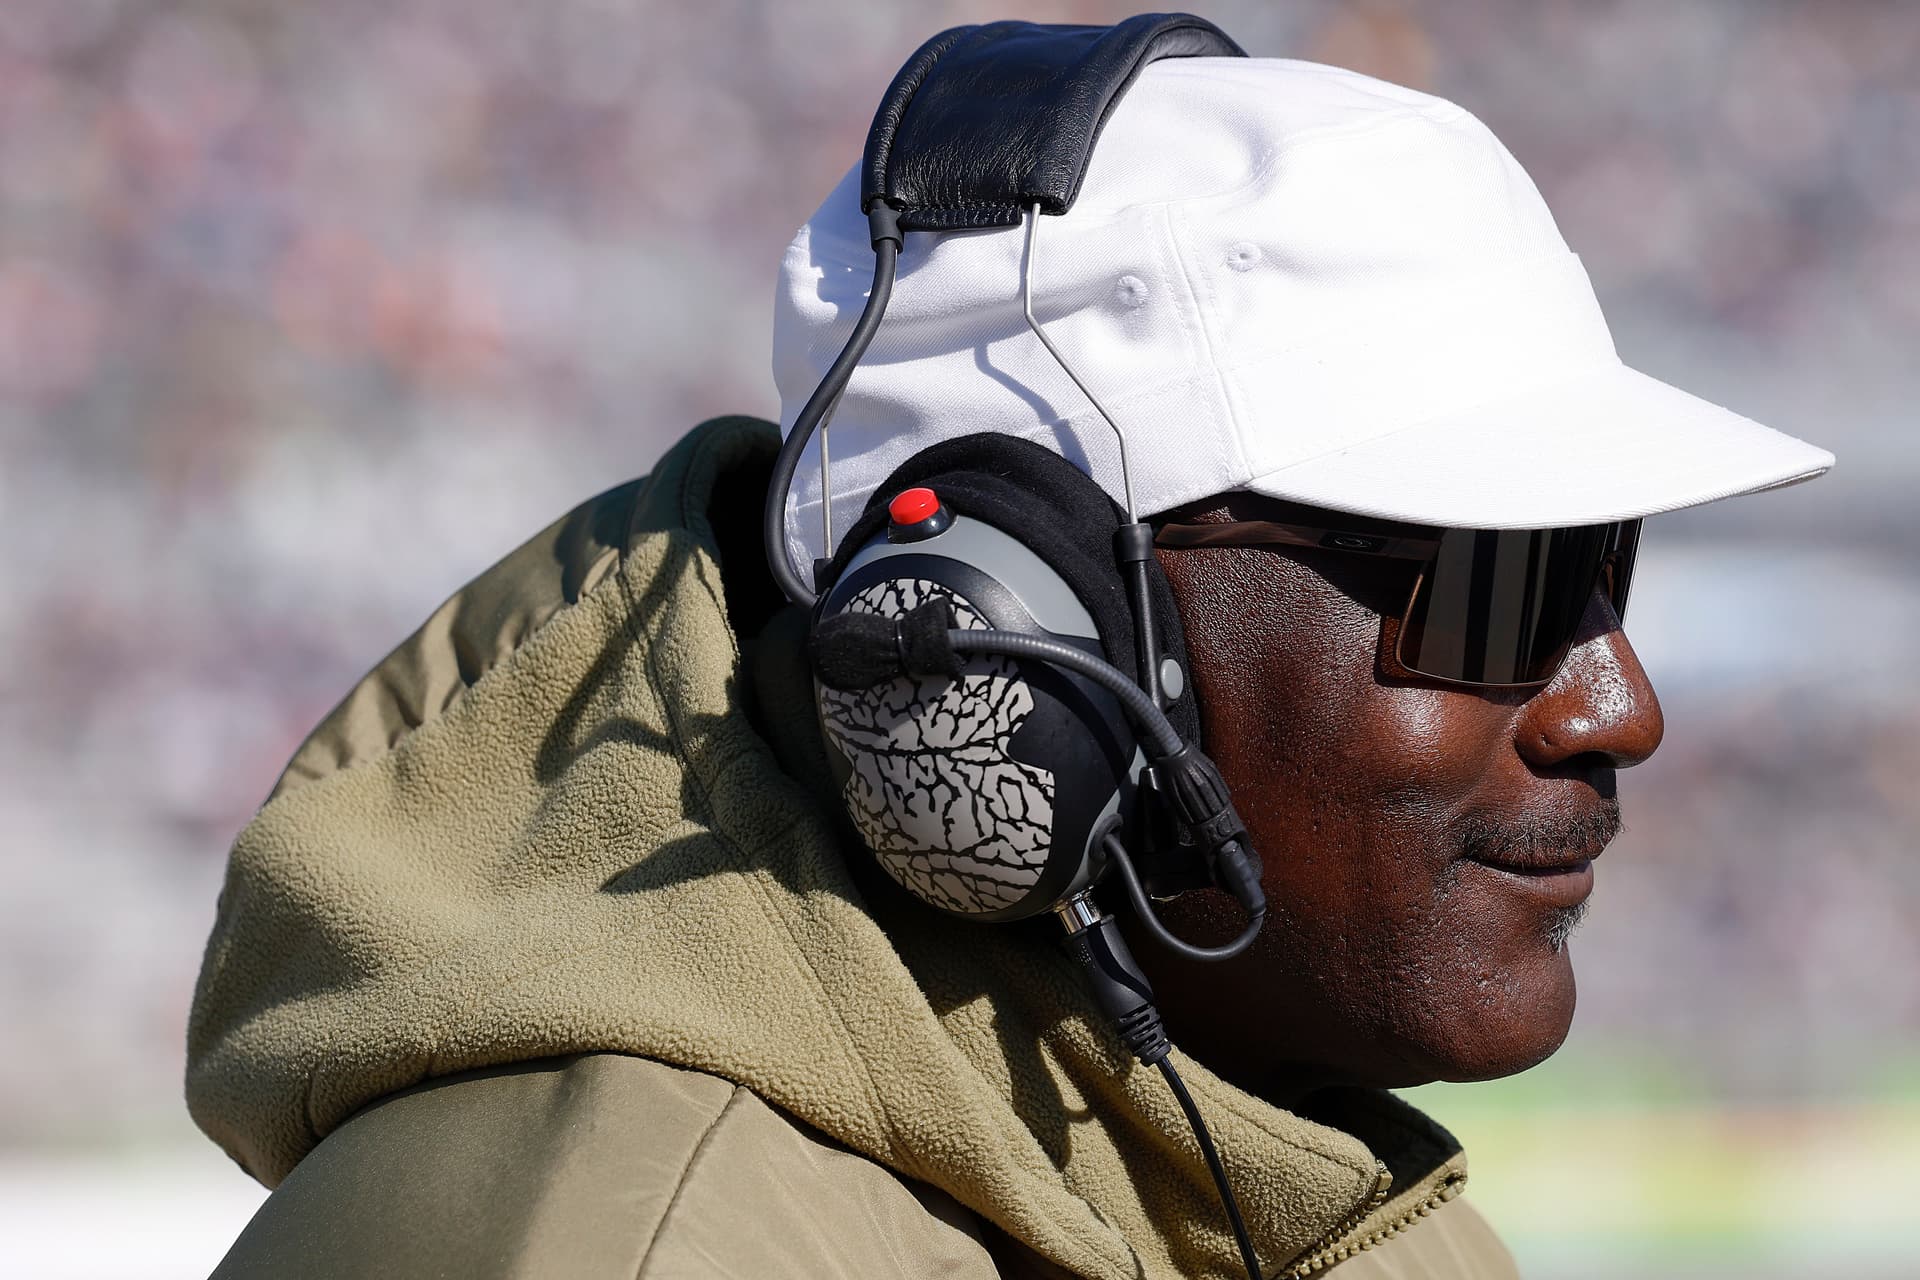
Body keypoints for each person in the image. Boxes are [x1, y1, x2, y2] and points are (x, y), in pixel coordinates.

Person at [186, 23, 1831, 1280]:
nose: (1622, 706)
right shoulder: (623, 1244)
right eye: (1496, 593)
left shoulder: (1306, 1183)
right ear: (1009, 647)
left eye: (1607, 574)